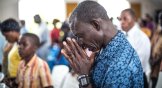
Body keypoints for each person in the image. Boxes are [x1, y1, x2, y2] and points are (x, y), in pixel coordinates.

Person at [61, 1, 143, 88]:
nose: (80, 42)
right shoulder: (107, 47)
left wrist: (83, 76)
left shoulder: (120, 68)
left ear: (96, 25)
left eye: (81, 36)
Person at [119, 8, 151, 88]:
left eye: (125, 18)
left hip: (137, 79)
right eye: (120, 19)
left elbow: (138, 63)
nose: (122, 22)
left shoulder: (141, 37)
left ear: (134, 19)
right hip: (125, 78)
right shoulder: (123, 35)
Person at [0, 18, 21, 83]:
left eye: (6, 36)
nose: (6, 39)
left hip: (19, 81)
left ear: (12, 31)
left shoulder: (23, 45)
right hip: (13, 80)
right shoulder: (14, 44)